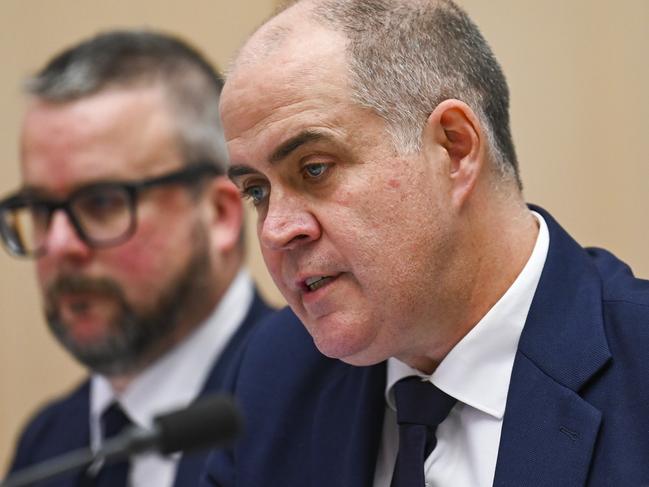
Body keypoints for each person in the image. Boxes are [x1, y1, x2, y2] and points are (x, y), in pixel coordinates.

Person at [200, 0, 649, 486]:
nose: (275, 231)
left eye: (314, 169)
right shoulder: (276, 374)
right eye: (257, 192)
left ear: (454, 149)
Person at [0, 30, 273, 487]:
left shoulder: (313, 406)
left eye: (103, 203)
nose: (61, 244)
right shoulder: (45, 444)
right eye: (43, 210)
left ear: (220, 215)